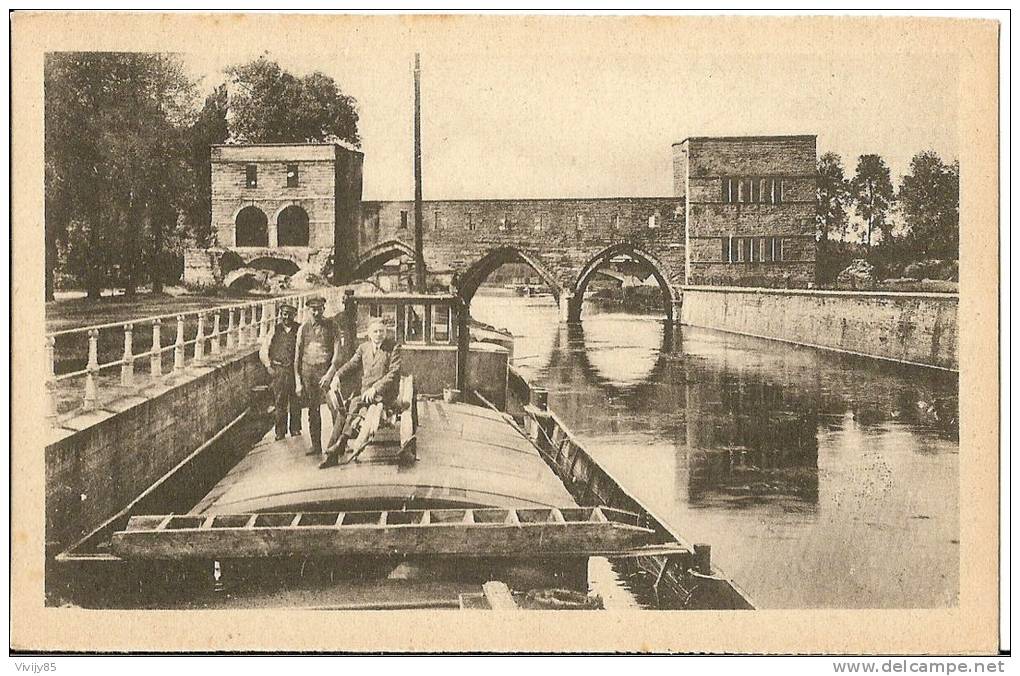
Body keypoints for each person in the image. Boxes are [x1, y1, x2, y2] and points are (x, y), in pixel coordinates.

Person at [319, 317, 402, 468]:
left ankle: (340, 444)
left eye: (381, 331)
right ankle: (332, 453)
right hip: (366, 394)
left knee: (354, 405)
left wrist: (375, 388)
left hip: (385, 394)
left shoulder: (393, 347)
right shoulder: (363, 348)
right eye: (375, 331)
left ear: (386, 332)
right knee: (345, 412)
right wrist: (337, 376)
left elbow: (394, 373)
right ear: (369, 334)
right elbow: (352, 364)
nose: (378, 334)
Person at [294, 296, 344, 457]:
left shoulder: (332, 326)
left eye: (319, 309)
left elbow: (338, 354)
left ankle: (338, 443)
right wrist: (298, 382)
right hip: (308, 373)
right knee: (312, 410)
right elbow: (298, 356)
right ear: (309, 310)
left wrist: (330, 374)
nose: (316, 312)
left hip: (326, 372)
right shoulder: (303, 328)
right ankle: (316, 445)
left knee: (334, 407)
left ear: (324, 309)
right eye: (312, 309)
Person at [259, 302, 301, 441]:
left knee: (296, 400)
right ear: (280, 315)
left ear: (294, 315)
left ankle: (295, 429)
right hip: (279, 370)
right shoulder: (274, 330)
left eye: (289, 314)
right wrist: (268, 366)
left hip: (294, 370)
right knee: (280, 401)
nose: (286, 317)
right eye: (284, 314)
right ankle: (280, 432)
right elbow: (264, 349)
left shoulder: (299, 329)